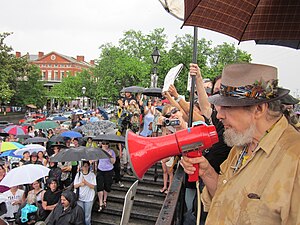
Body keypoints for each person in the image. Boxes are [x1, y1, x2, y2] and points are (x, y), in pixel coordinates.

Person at [180, 63, 300, 225]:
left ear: (258, 109)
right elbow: (224, 199)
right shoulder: (241, 145)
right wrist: (207, 172)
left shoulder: (294, 159)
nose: (219, 115)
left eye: (228, 107)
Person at [96, 141, 116, 212]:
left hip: (109, 170)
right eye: (104, 144)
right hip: (100, 170)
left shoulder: (111, 151)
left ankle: (104, 200)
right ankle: (100, 202)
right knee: (100, 186)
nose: (105, 145)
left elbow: (113, 162)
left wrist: (110, 156)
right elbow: (95, 159)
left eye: (107, 144)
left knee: (107, 186)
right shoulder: (99, 151)